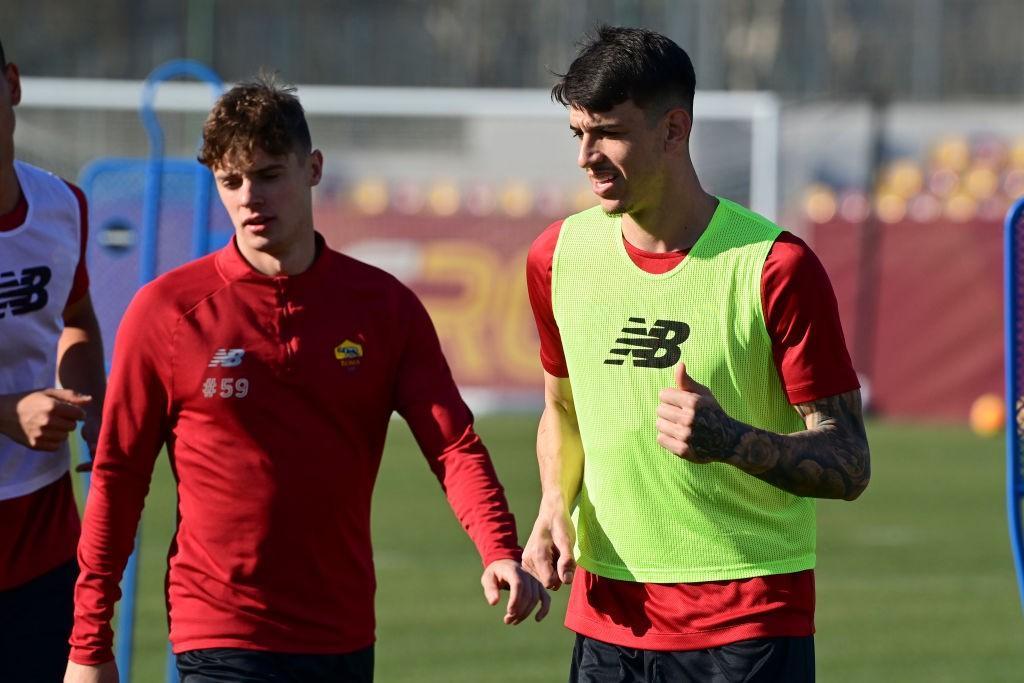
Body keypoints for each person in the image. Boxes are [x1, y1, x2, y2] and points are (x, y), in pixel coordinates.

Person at [64, 75, 548, 683]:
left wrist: (498, 548)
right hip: (219, 634)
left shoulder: (383, 307)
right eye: (230, 182)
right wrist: (88, 645)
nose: (248, 198)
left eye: (268, 175)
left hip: (341, 635)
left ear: (312, 168)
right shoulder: (166, 312)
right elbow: (118, 475)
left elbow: (452, 444)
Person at [521, 26, 870, 682]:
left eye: (609, 133)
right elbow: (560, 409)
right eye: (578, 134)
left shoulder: (775, 267)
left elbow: (851, 460)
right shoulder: (556, 257)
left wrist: (730, 439)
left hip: (747, 620)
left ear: (674, 129)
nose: (586, 157)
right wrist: (550, 507)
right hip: (608, 616)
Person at [0, 38, 107, 683]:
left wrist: (92, 415)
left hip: (43, 534)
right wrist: (5, 411)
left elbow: (77, 319)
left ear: (11, 84)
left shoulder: (63, 208)